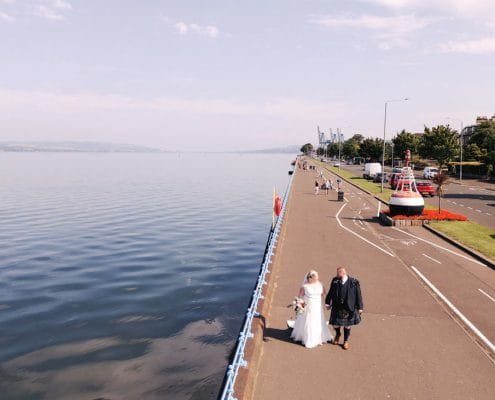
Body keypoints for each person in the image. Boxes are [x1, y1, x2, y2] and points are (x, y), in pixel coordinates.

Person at [291, 270, 332, 348]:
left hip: (317, 307)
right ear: (311, 278)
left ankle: (318, 337)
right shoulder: (305, 286)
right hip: (308, 307)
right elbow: (300, 297)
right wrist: (299, 306)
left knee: (317, 321)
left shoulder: (320, 285)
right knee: (308, 322)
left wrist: (327, 304)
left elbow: (324, 295)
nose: (317, 279)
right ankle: (308, 339)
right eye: (316, 278)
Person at [325, 267, 363, 350]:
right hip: (337, 307)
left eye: (338, 273)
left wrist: (360, 307)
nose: (336, 275)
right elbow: (331, 291)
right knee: (335, 324)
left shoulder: (354, 282)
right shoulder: (335, 280)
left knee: (347, 326)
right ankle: (338, 334)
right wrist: (327, 302)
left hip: (349, 307)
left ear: (343, 273)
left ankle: (346, 341)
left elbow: (358, 295)